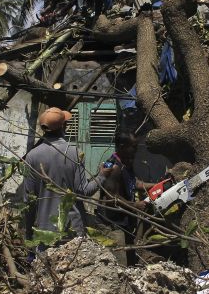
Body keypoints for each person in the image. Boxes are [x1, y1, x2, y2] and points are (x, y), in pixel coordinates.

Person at [23, 107, 109, 243]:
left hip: (44, 234)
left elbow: (29, 200)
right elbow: (83, 191)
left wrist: (28, 233)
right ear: (64, 126)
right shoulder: (74, 152)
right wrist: (101, 176)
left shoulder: (32, 156)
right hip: (72, 230)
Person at [95, 132, 155, 265]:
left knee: (130, 262)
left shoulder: (126, 162)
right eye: (133, 147)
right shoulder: (113, 167)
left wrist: (156, 186)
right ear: (122, 146)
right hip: (112, 224)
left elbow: (134, 183)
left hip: (124, 222)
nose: (136, 150)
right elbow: (111, 197)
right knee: (118, 265)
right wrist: (135, 205)